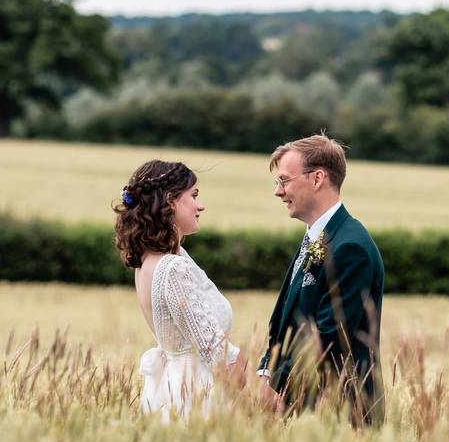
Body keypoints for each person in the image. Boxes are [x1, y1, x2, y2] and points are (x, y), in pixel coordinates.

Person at [257, 134, 385, 426]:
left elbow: (328, 337)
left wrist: (276, 386)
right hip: (304, 408)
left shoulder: (350, 247)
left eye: (284, 181)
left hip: (339, 411)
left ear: (317, 179)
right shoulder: (316, 237)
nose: (278, 192)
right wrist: (266, 370)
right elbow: (287, 321)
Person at [114, 160, 240, 420]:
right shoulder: (171, 268)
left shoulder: (154, 260)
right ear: (170, 201)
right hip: (197, 396)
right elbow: (216, 353)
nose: (200, 205)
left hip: (174, 388)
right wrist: (270, 399)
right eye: (193, 196)